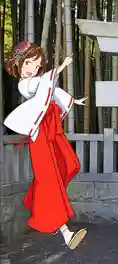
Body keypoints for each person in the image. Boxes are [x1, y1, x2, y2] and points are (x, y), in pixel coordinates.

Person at [3, 41, 88, 250]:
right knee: (50, 181)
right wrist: (61, 67)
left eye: (35, 63)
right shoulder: (25, 84)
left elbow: (52, 90)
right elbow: (42, 86)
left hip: (52, 129)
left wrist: (73, 101)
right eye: (28, 63)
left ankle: (35, 200)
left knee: (70, 165)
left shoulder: (39, 79)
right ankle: (66, 234)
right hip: (40, 136)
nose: (32, 68)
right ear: (19, 65)